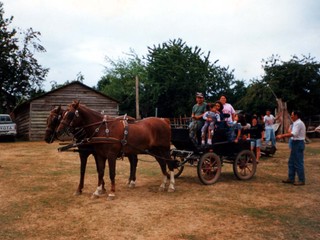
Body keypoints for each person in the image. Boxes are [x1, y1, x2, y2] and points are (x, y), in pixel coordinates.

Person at [276, 111, 306, 186]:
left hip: (298, 143)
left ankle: (301, 180)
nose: (291, 116)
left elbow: (293, 134)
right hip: (295, 143)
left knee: (298, 162)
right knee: (291, 162)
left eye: (292, 115)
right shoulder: (295, 123)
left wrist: (282, 136)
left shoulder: (299, 123)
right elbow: (290, 131)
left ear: (296, 116)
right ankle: (291, 178)